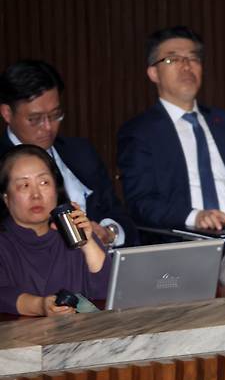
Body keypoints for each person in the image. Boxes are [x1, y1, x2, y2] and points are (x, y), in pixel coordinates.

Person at [118, 26, 225, 231]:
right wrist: (195, 217)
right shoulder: (140, 132)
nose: (186, 66)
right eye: (173, 59)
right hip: (189, 238)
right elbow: (141, 203)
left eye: (193, 59)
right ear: (154, 73)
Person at [0, 60, 138, 247]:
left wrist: (108, 232)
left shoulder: (80, 152)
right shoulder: (3, 164)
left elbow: (119, 214)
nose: (48, 127)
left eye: (55, 115)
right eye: (35, 119)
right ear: (7, 113)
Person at [0, 145, 110, 316]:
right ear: (6, 197)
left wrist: (88, 243)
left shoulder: (72, 233)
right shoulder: (4, 244)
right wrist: (40, 305)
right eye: (24, 185)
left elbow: (108, 294)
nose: (36, 195)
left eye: (44, 182)